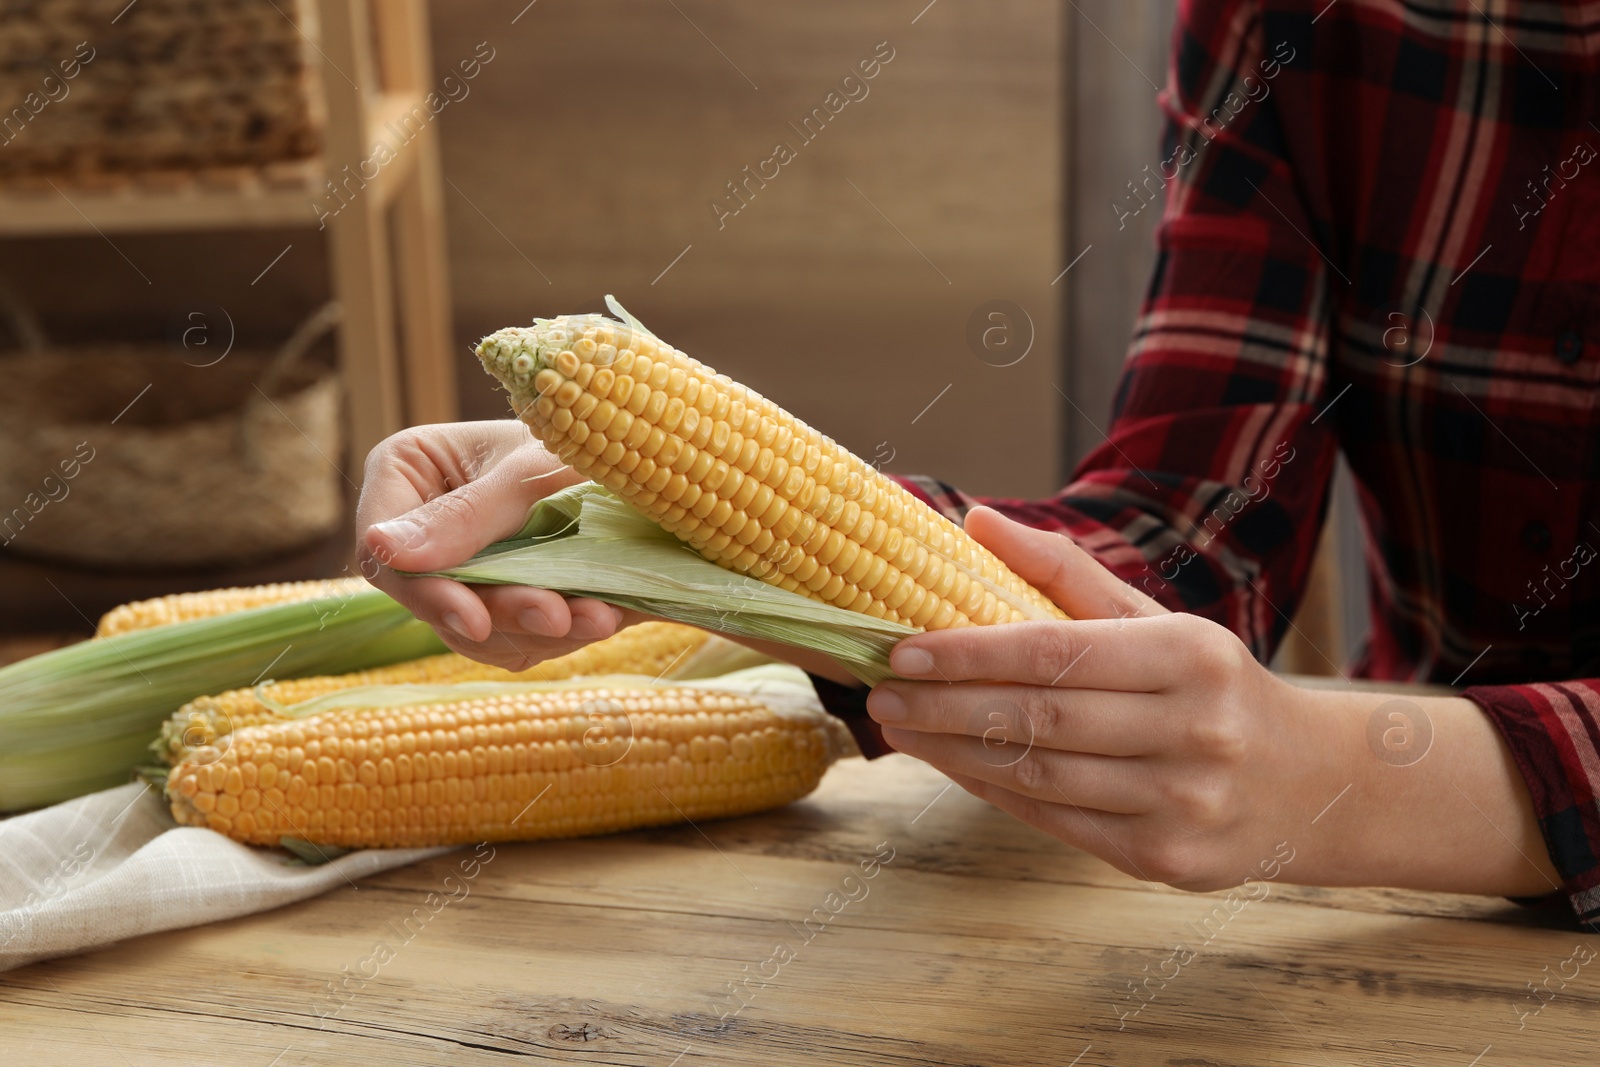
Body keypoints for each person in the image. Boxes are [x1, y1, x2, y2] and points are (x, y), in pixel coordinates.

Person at [355, 0, 1598, 922]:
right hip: (1410, 923)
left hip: (1395, 825)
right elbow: (1187, 528)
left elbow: (1311, 768)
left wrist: (1332, 780)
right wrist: (693, 512)